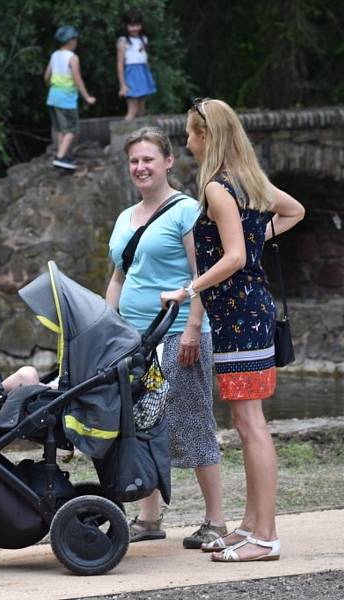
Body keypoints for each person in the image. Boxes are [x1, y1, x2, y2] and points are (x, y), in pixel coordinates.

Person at [161, 98, 305, 562]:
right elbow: (294, 211)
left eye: (191, 134)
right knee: (249, 424)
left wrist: (188, 291)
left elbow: (235, 257)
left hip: (240, 318)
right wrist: (255, 240)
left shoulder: (221, 189)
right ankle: (251, 525)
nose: (187, 142)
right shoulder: (252, 183)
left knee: (251, 425)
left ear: (207, 137)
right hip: (248, 314)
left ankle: (265, 537)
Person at [105, 127, 226, 548]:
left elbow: (202, 277)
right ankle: (149, 517)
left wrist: (194, 326)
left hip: (178, 334)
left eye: (148, 160)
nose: (140, 167)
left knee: (191, 422)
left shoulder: (186, 211)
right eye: (134, 161)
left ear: (168, 162)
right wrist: (105, 327)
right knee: (141, 422)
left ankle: (215, 520)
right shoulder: (126, 217)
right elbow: (119, 277)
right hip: (133, 339)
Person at [45, 25, 96, 171]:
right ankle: (60, 157)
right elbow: (77, 78)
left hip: (53, 97)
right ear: (71, 40)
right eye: (75, 38)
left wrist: (51, 88)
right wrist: (87, 97)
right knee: (71, 129)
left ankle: (63, 155)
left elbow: (46, 76)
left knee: (61, 129)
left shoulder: (54, 55)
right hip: (66, 99)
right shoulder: (73, 58)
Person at [116, 10, 157, 120]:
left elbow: (144, 58)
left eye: (137, 25)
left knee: (141, 111)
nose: (135, 28)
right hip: (131, 74)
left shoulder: (143, 39)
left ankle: (139, 136)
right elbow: (120, 64)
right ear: (125, 26)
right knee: (132, 110)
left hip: (143, 73)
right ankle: (122, 135)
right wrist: (122, 85)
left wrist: (149, 77)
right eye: (132, 25)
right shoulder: (123, 41)